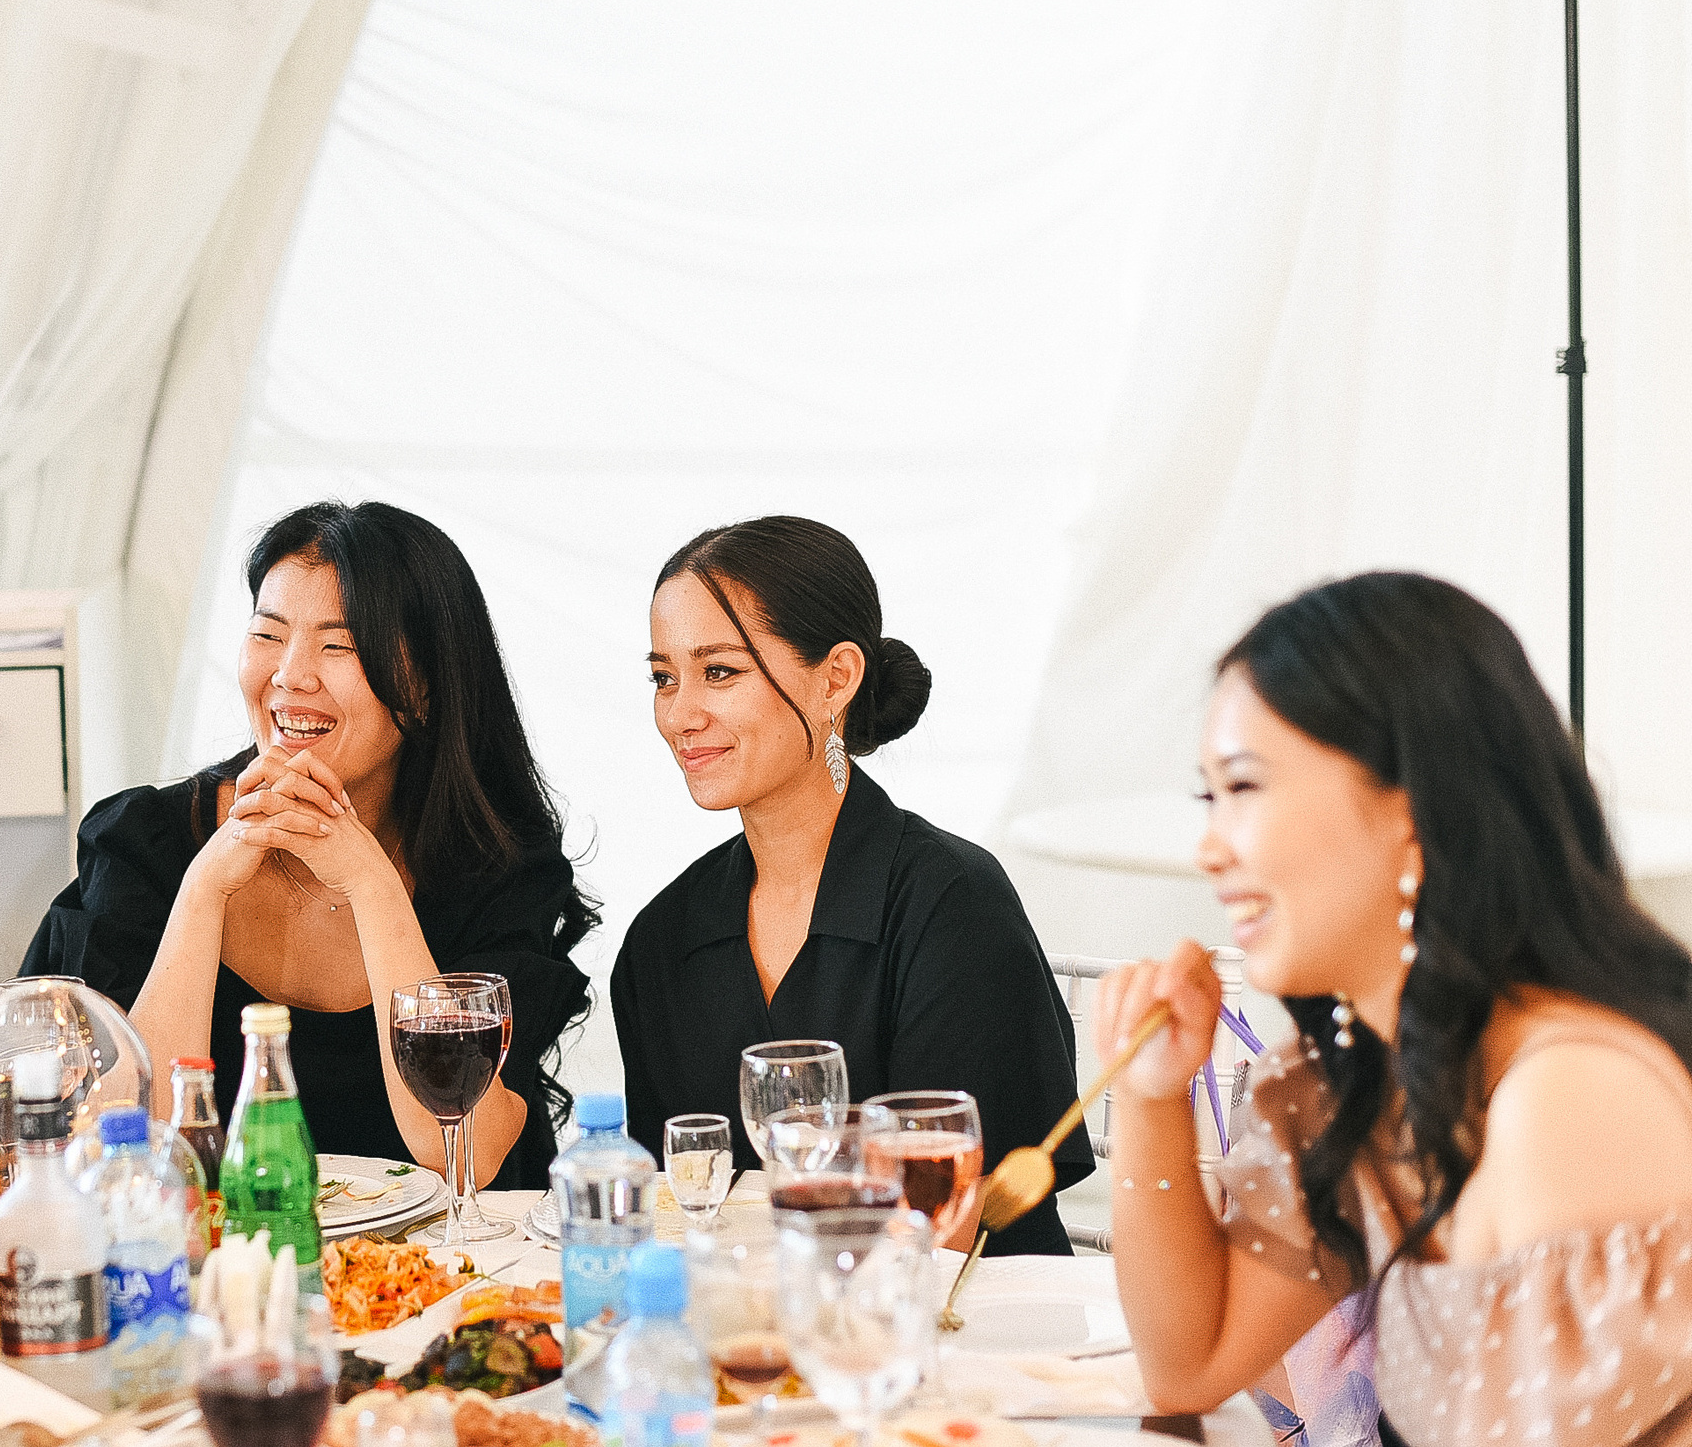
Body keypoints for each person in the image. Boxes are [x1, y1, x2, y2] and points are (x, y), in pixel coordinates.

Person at [1096, 572, 1692, 1442]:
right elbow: (1189, 1364)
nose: (1210, 848)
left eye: (1247, 787)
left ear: (1410, 807)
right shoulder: (1350, 1080)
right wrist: (1151, 1094)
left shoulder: (1568, 1091)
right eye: (1208, 797)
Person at [22, 501, 596, 1188]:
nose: (290, 674)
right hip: (214, 1279)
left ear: (422, 688)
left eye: (338, 644)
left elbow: (458, 1148)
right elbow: (134, 1153)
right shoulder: (144, 843)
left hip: (449, 1282)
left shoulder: (499, 866)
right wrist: (203, 891)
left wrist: (370, 881)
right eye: (269, 634)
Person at [611, 517, 1087, 1255]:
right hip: (756, 1339)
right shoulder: (663, 941)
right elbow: (664, 1212)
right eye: (663, 677)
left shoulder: (952, 904)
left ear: (836, 677)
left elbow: (957, 1222)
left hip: (971, 1329)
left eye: (720, 671)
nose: (680, 714)